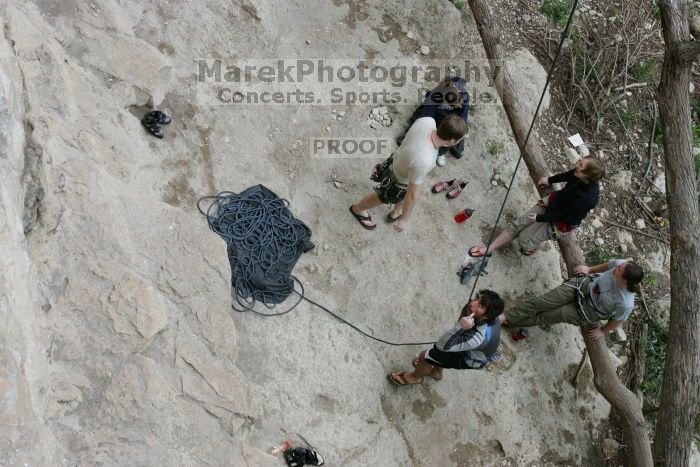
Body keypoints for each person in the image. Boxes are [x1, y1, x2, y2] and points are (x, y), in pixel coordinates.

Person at [349, 113, 468, 233]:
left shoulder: (427, 121)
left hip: (397, 161)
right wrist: (404, 220)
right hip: (397, 180)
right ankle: (358, 209)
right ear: (452, 140)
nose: (460, 141)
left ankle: (397, 211)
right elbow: (412, 194)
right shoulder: (425, 160)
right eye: (459, 140)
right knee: (381, 197)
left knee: (402, 193)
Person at [468, 156, 606, 257]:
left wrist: (540, 218)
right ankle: (489, 249)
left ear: (587, 176)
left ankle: (534, 247)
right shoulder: (579, 173)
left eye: (580, 165)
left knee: (524, 240)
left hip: (561, 222)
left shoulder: (587, 199)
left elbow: (564, 215)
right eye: (579, 162)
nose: (576, 164)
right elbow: (568, 175)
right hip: (556, 202)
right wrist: (549, 180)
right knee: (519, 224)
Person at [500, 259, 644, 339]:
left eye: (619, 270)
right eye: (620, 265)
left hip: (589, 310)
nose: (617, 267)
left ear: (625, 281)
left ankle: (510, 320)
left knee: (547, 316)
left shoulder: (625, 303)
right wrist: (589, 269)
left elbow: (618, 320)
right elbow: (609, 264)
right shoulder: (620, 264)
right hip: (584, 286)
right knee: (542, 302)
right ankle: (505, 318)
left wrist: (603, 330)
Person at [387, 290, 505, 386]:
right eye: (476, 298)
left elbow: (441, 346)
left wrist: (460, 327)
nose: (472, 303)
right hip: (475, 350)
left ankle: (414, 377)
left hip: (469, 358)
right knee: (444, 354)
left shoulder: (476, 339)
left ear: (487, 316)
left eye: (480, 305)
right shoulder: (490, 318)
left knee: (426, 355)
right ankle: (436, 372)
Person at [398, 76, 470, 167]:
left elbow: (463, 118)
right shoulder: (436, 95)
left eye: (461, 103)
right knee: (424, 123)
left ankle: (440, 152)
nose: (460, 106)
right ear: (445, 101)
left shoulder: (465, 97)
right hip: (436, 112)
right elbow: (426, 115)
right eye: (457, 105)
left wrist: (455, 129)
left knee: (453, 132)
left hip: (453, 118)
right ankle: (413, 135)